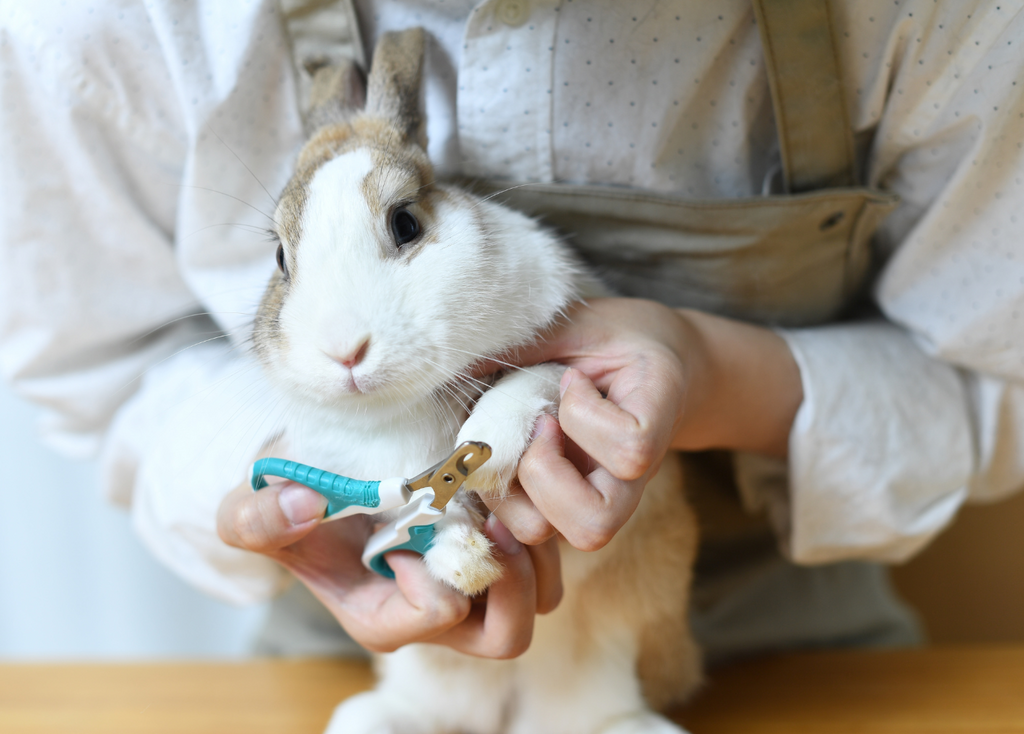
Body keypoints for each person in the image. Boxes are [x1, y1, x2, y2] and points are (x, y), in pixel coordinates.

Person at [2, 0, 1023, 662]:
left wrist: (713, 373)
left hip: (766, 632)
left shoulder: (930, 20)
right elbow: (107, 362)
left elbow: (992, 376)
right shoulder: (100, 24)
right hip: (357, 646)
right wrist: (313, 477)